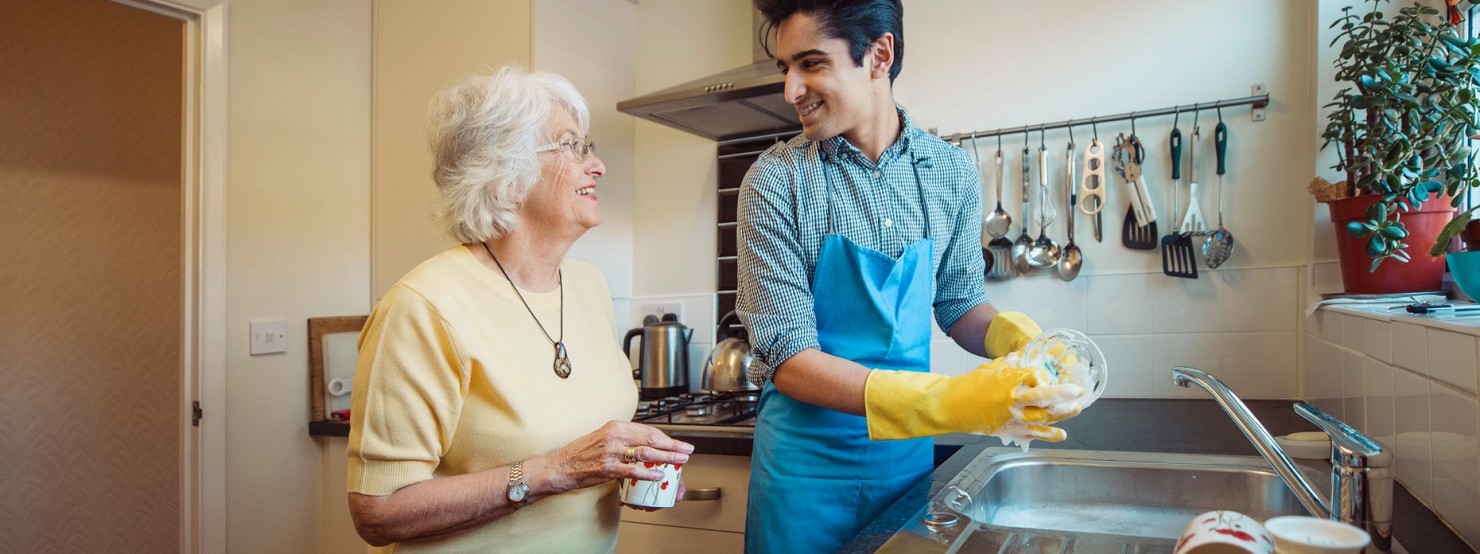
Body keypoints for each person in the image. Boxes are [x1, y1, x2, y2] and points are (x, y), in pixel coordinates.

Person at [736, 1, 1085, 551]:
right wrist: (946, 402)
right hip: (802, 476)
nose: (791, 89)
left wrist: (1025, 342)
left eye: (811, 63)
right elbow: (788, 358)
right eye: (786, 68)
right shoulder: (777, 181)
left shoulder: (949, 172)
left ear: (879, 55)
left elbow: (960, 304)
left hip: (905, 468)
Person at [345, 66, 694, 553]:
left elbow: (581, 449)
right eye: (573, 146)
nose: (597, 165)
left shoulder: (589, 285)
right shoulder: (423, 306)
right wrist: (555, 471)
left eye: (588, 146)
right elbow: (378, 513)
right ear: (506, 172)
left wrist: (627, 470)